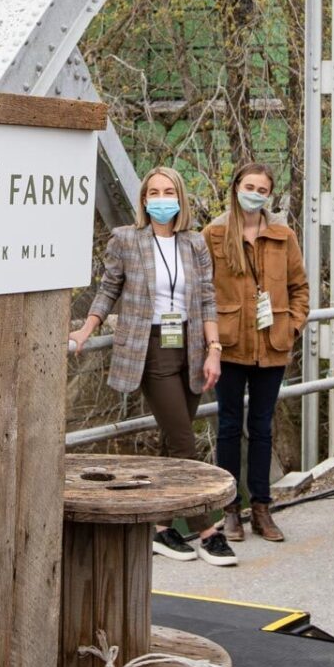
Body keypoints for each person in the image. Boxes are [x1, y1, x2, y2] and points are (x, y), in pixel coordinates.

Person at [70, 167, 234, 567]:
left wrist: (214, 348)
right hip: (151, 347)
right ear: (144, 199)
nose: (161, 198)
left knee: (168, 443)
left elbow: (208, 299)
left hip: (192, 346)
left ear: (180, 198)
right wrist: (85, 330)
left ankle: (162, 527)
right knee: (182, 440)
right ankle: (208, 530)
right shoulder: (127, 239)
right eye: (154, 192)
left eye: (169, 191)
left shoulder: (194, 244)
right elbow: (109, 288)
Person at [204, 162, 309, 544]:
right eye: (249, 186)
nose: (255, 194)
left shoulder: (283, 236)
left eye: (262, 190)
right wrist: (211, 342)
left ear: (270, 195)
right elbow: (203, 293)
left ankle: (262, 508)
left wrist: (292, 326)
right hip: (230, 345)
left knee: (263, 427)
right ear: (235, 187)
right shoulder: (214, 234)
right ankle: (231, 508)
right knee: (230, 426)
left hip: (272, 345)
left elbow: (300, 287)